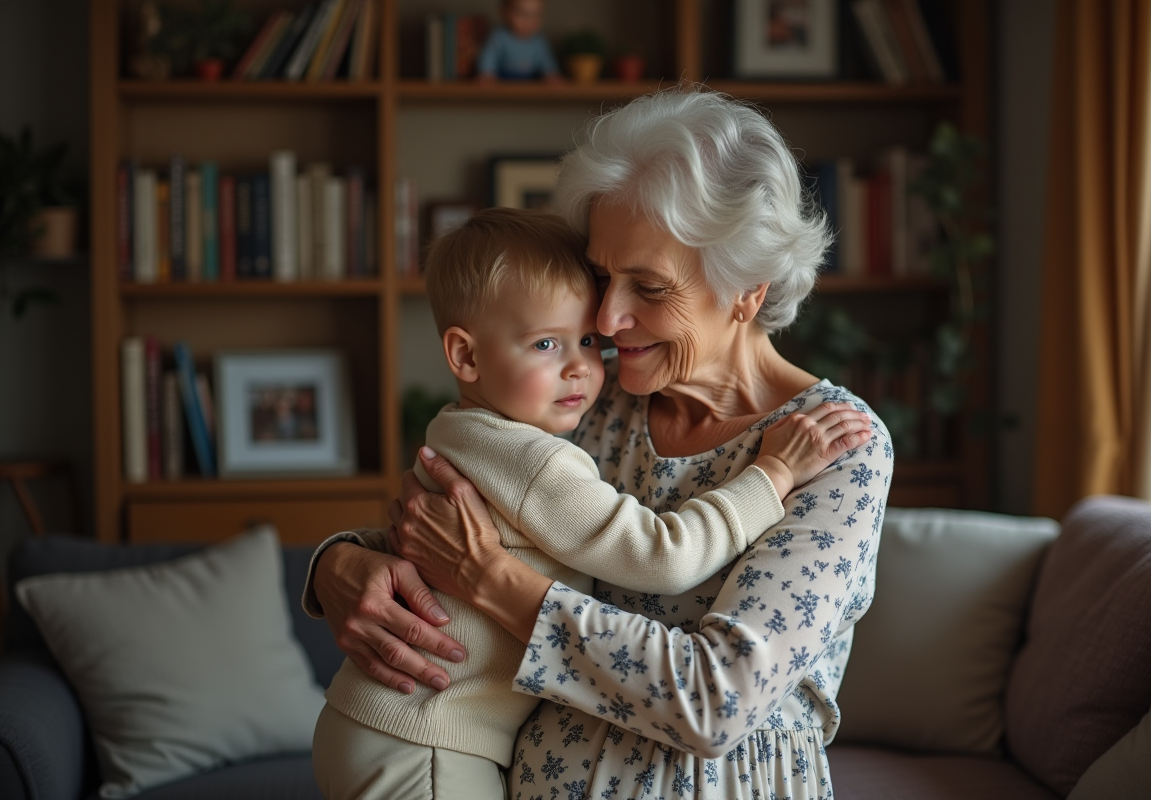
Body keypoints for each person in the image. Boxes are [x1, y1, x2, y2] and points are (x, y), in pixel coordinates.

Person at [306, 88, 894, 799]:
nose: (610, 320)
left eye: (647, 287)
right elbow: (444, 515)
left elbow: (714, 703)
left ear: (745, 289)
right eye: (602, 278)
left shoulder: (833, 445)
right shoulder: (586, 395)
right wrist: (338, 565)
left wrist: (493, 581)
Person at [476, 0, 562, 83]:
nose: (530, 21)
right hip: (504, 84)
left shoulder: (540, 42)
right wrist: (486, 74)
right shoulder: (498, 37)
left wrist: (551, 76)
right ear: (505, 12)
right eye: (524, 14)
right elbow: (489, 58)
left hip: (532, 86)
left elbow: (548, 63)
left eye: (536, 15)